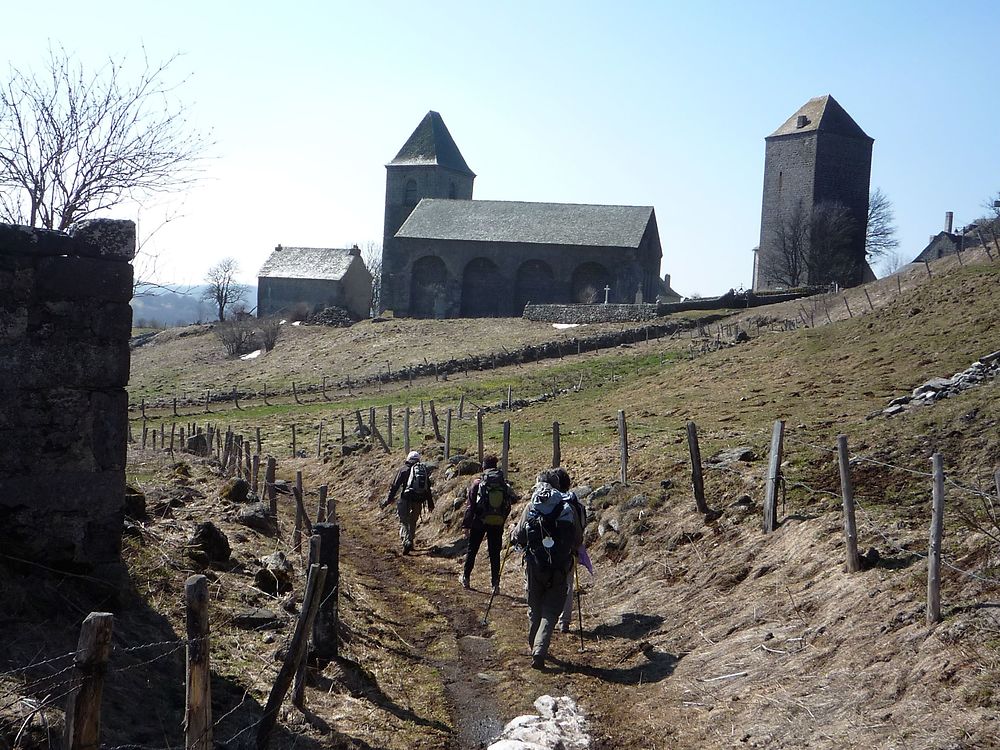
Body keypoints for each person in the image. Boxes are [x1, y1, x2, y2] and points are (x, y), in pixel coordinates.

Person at [510, 469, 583, 669]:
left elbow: (519, 536)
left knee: (534, 605)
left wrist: (512, 532)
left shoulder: (532, 505)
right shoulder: (567, 507)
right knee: (551, 611)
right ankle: (539, 650)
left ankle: (534, 645)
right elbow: (578, 539)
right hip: (560, 566)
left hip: (535, 564)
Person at [461, 455, 514, 595]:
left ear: (483, 466)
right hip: (497, 523)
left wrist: (466, 525)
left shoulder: (478, 483)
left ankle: (466, 577)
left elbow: (470, 506)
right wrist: (502, 518)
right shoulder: (503, 484)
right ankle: (495, 585)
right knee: (495, 553)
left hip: (479, 522)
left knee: (472, 549)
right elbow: (509, 504)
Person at [548, 467, 591, 634]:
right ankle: (564, 622)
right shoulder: (576, 504)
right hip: (571, 550)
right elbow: (582, 525)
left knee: (551, 584)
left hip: (552, 551)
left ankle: (548, 619)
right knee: (568, 585)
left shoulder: (551, 503)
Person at [382, 450, 433, 554]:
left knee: (403, 521)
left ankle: (406, 541)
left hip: (405, 498)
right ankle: (411, 541)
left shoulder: (403, 470)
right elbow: (428, 488)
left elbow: (395, 485)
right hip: (419, 500)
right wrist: (430, 503)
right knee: (413, 521)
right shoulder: (423, 470)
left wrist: (390, 499)